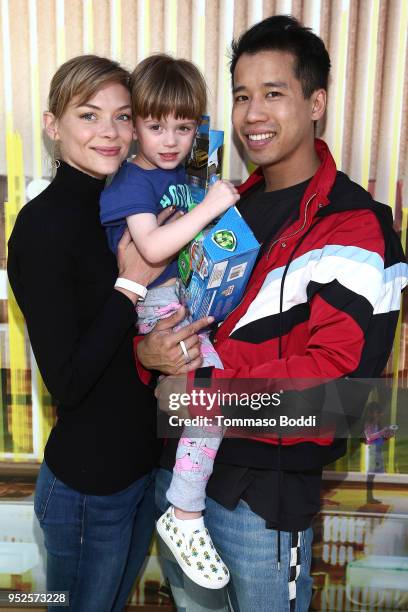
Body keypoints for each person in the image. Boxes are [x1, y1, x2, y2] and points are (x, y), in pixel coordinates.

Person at [136, 15, 408, 612]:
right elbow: (177, 323)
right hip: (179, 476)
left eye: (273, 93)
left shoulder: (355, 226)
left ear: (317, 103)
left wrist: (199, 392)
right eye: (241, 96)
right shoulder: (224, 207)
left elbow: (339, 396)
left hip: (260, 501)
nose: (253, 113)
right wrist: (149, 352)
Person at [6, 54, 211, 612]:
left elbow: (122, 348)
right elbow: (68, 381)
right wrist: (129, 288)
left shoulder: (124, 202)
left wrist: (153, 344)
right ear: (54, 126)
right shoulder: (43, 226)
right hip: (86, 487)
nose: (111, 132)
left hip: (139, 467)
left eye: (123, 117)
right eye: (89, 115)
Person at [100, 54, 239, 589]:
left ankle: (185, 508)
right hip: (153, 306)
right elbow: (153, 247)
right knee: (212, 395)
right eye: (156, 126)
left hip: (184, 297)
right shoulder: (132, 182)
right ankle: (184, 512)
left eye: (184, 127)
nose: (170, 140)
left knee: (218, 395)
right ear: (134, 125)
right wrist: (209, 209)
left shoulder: (181, 171)